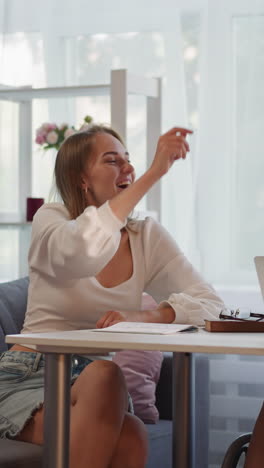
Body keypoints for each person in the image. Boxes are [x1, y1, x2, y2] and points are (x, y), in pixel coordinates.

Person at [0, 124, 224, 468]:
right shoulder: (52, 221)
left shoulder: (145, 236)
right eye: (112, 161)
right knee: (110, 383)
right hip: (29, 373)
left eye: (128, 160)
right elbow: (84, 251)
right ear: (81, 178)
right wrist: (154, 173)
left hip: (97, 384)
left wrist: (147, 316)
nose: (128, 169)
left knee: (126, 422)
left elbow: (211, 304)